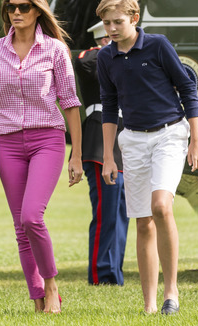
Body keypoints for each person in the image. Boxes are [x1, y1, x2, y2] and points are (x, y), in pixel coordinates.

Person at [95, 0, 198, 315]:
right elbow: (110, 105)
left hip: (170, 135)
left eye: (117, 22)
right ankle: (149, 305)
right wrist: (108, 156)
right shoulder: (105, 57)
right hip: (132, 140)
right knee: (143, 222)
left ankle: (171, 292)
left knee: (161, 206)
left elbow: (187, 88)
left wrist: (196, 140)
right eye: (106, 23)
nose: (111, 29)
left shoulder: (158, 45)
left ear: (134, 18)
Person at [0, 0, 84, 314]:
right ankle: (37, 298)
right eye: (11, 7)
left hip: (47, 141)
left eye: (24, 7)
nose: (16, 13)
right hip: (8, 144)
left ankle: (51, 286)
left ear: (37, 10)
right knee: (19, 227)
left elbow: (70, 103)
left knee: (31, 217)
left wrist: (77, 154)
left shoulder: (54, 50)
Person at [73, 21, 129, 286]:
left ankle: (114, 274)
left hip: (125, 141)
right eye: (111, 36)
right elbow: (82, 61)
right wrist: (110, 47)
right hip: (97, 142)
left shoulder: (123, 62)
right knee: (106, 212)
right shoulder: (91, 58)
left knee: (121, 213)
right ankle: (100, 274)